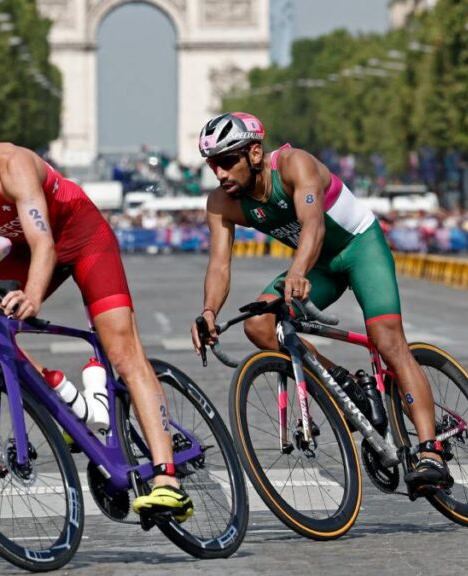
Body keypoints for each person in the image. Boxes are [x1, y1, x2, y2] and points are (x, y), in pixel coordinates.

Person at [0, 105, 193, 521]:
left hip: (82, 240)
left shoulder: (10, 163)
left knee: (122, 350)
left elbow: (43, 242)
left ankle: (167, 481)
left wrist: (32, 296)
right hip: (26, 254)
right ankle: (59, 400)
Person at [191, 112, 453, 493]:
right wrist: (209, 312)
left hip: (359, 248)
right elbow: (219, 264)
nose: (219, 173)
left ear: (254, 153)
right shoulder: (221, 202)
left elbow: (313, 225)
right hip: (319, 265)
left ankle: (432, 452)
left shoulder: (295, 164)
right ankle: (346, 385)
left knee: (387, 340)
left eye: (227, 161)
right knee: (260, 323)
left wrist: (297, 271)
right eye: (212, 164)